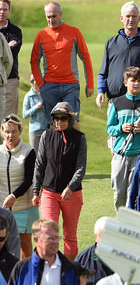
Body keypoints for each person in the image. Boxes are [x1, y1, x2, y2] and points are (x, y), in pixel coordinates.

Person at [32, 102, 86, 258]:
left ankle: (69, 272)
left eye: (63, 118)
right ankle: (47, 269)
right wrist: (36, 191)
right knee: (47, 233)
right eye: (56, 118)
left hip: (72, 194)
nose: (59, 122)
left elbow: (80, 168)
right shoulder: (46, 135)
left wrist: (70, 187)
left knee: (70, 236)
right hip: (48, 193)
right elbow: (40, 164)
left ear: (70, 119)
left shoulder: (79, 138)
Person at [31, 1, 93, 122]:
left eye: (54, 16)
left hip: (71, 85)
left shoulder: (74, 32)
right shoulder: (41, 35)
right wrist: (40, 84)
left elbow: (85, 57)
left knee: (72, 122)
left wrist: (90, 84)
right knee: (53, 125)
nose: (51, 20)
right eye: (48, 17)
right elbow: (34, 61)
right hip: (49, 87)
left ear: (61, 14)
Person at [95, 1, 140, 109]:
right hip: (115, 101)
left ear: (139, 18)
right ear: (122, 18)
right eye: (128, 16)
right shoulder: (111, 43)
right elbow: (103, 73)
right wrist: (100, 91)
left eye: (134, 16)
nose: (131, 19)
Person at [106, 66, 140, 209]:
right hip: (121, 154)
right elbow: (109, 128)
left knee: (133, 192)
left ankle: (129, 224)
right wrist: (121, 128)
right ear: (126, 82)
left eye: (139, 80)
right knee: (119, 193)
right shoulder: (117, 103)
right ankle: (121, 220)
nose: (137, 83)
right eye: (133, 80)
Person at [0, 114, 37, 257]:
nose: (10, 135)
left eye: (14, 131)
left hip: (24, 207)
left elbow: (29, 180)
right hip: (2, 208)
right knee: (3, 244)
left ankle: (24, 276)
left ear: (20, 131)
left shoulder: (28, 152)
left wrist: (14, 195)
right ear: (2, 132)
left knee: (25, 244)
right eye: (7, 131)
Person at [0, 0, 23, 114]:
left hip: (10, 79)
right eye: (0, 9)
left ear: (9, 11)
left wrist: (6, 50)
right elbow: (6, 53)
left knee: (9, 119)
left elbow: (11, 54)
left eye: (5, 9)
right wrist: (7, 46)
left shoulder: (16, 31)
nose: (1, 12)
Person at [23, 75, 45, 149]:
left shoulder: (45, 94)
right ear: (30, 83)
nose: (34, 83)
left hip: (46, 129)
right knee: (35, 155)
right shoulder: (28, 96)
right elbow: (24, 114)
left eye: (36, 80)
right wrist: (36, 107)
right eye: (32, 81)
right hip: (34, 131)